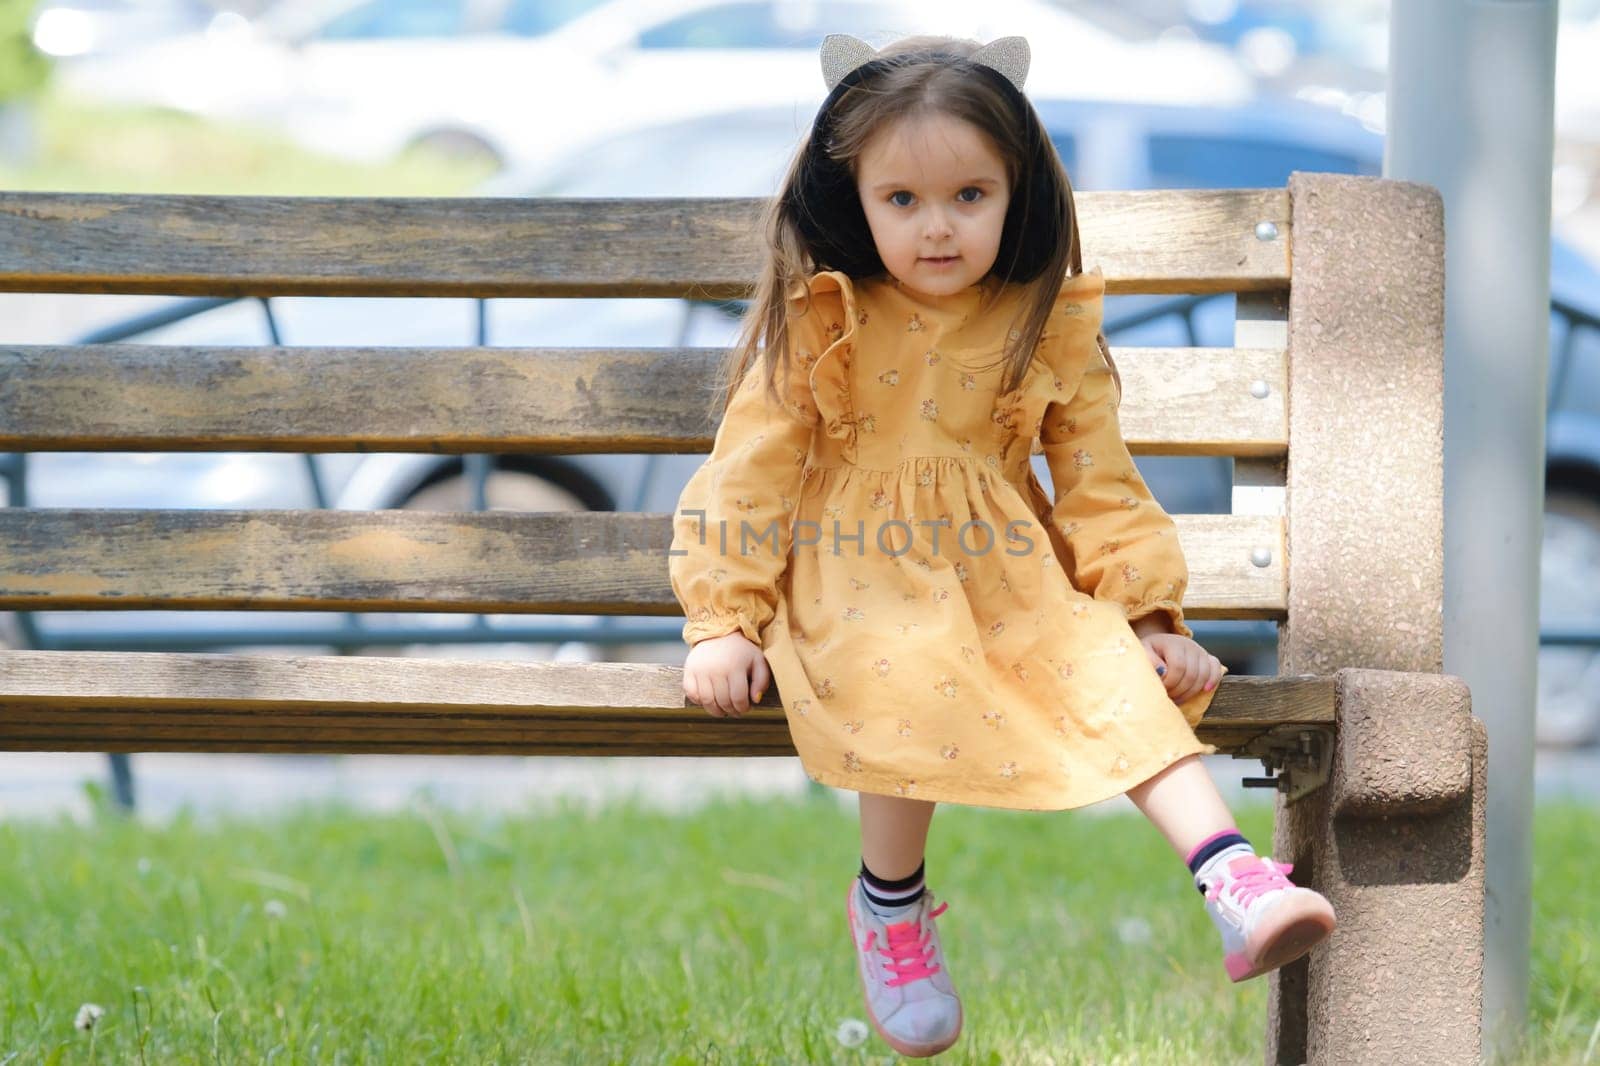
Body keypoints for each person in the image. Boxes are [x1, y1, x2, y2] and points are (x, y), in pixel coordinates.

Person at [667, 31, 1336, 1059]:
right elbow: (747, 472)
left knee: (1112, 668)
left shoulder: (1043, 322)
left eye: (969, 196)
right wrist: (722, 620)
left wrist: (1152, 616)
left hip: (1007, 580)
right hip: (857, 576)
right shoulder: (827, 316)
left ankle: (1232, 878)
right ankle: (890, 905)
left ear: (1016, 193)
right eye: (903, 201)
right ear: (854, 200)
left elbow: (1099, 484)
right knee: (907, 659)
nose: (938, 227)